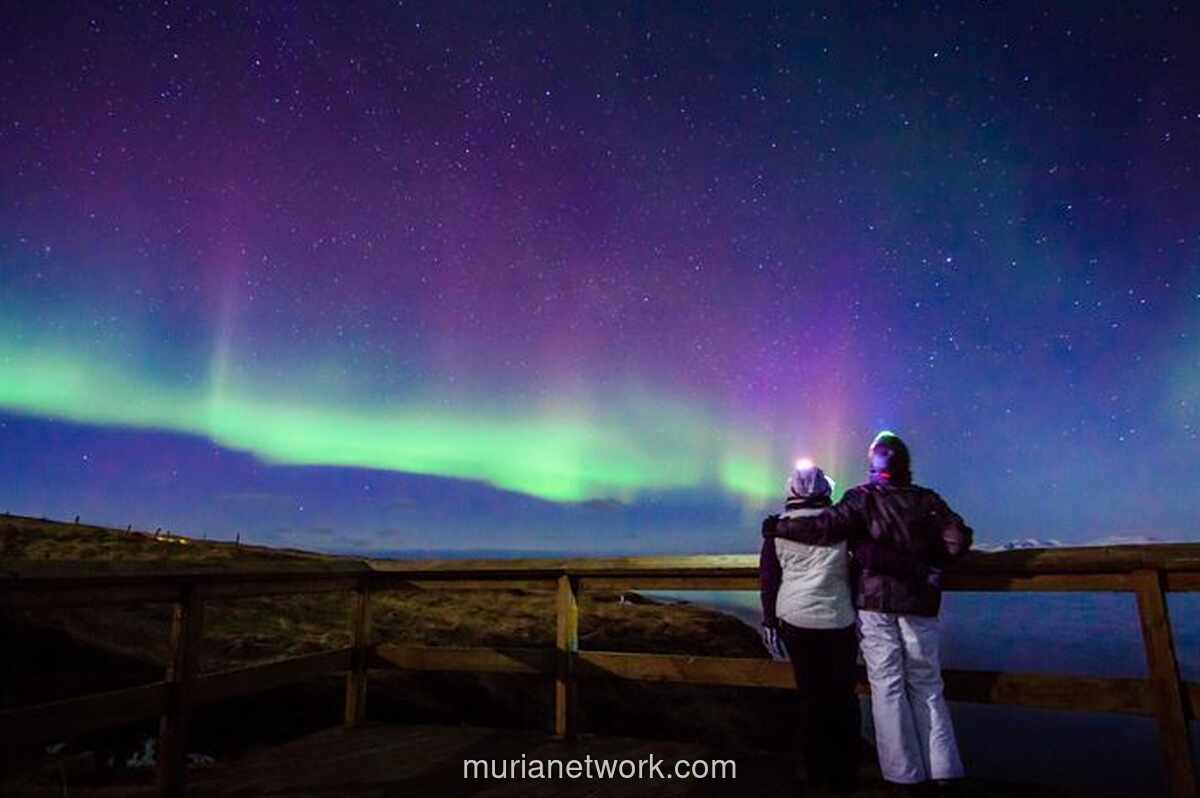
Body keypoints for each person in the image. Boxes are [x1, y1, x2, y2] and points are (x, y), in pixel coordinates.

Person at [762, 432, 973, 795]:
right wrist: (927, 563)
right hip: (917, 604)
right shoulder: (928, 500)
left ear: (873, 465)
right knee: (927, 685)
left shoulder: (861, 499)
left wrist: (777, 528)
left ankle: (902, 776)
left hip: (873, 604)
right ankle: (944, 772)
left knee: (886, 687)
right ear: (906, 463)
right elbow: (956, 542)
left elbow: (824, 528)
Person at [759, 459, 861, 793]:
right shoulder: (843, 527)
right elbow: (857, 572)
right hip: (839, 620)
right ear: (825, 491)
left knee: (812, 699)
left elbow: (770, 579)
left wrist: (770, 620)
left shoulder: (776, 529)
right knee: (843, 697)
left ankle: (816, 775)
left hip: (796, 620)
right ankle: (846, 773)